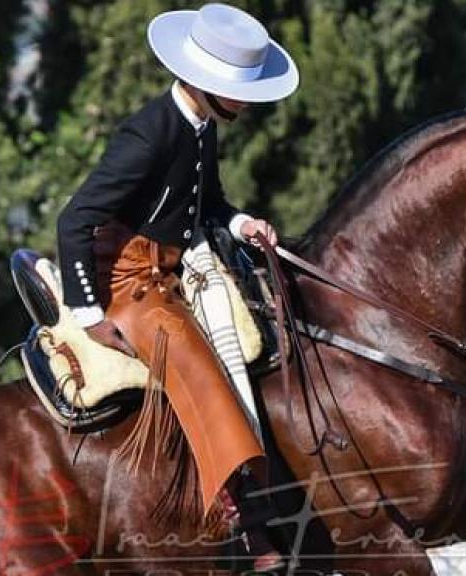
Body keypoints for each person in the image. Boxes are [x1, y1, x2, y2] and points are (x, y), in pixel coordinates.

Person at [55, 3, 298, 571]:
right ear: (204, 83)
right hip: (128, 279)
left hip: (177, 266)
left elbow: (209, 202)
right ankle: (242, 515)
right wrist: (90, 313)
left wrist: (244, 224)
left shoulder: (202, 126)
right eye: (237, 90)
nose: (246, 101)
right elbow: (74, 219)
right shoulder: (148, 135)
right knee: (194, 362)